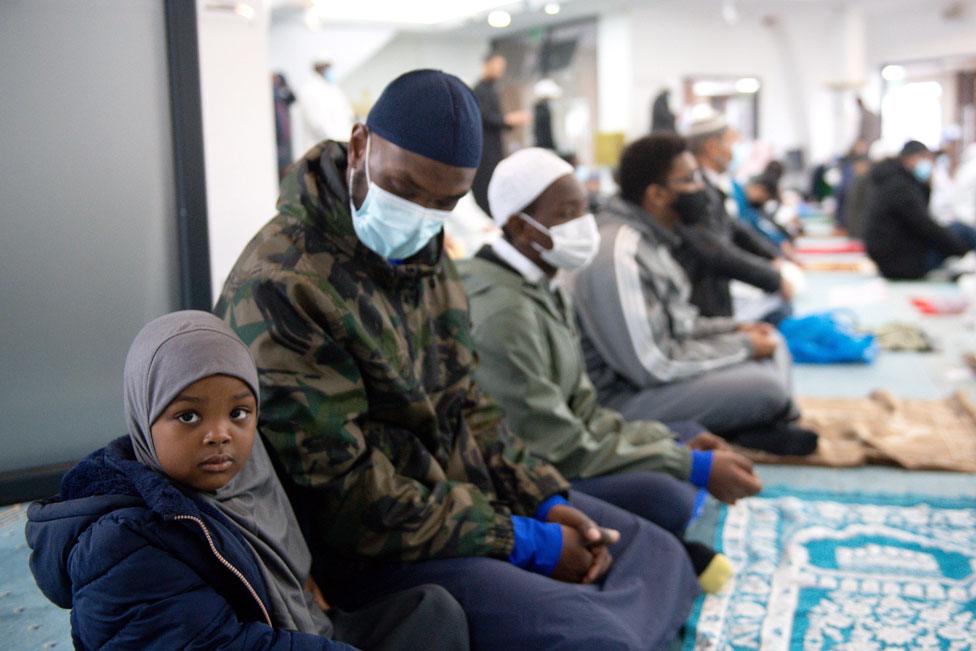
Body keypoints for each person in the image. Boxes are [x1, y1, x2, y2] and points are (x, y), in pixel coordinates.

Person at [215, 69, 700, 649]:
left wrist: (540, 496)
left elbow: (470, 407)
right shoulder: (283, 285)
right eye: (406, 189)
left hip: (457, 508)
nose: (420, 213)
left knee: (657, 551)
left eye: (443, 202)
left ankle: (594, 611)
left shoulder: (424, 254)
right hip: (374, 551)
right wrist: (519, 541)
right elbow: (346, 501)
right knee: (595, 633)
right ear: (361, 145)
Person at [25, 311, 469, 650]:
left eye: (239, 412)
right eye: (188, 415)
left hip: (300, 625)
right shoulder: (123, 543)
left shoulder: (249, 470)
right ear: (144, 418)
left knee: (432, 611)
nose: (219, 433)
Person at [459, 147, 761, 556]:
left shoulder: (542, 284)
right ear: (520, 226)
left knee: (684, 435)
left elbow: (585, 411)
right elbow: (557, 446)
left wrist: (669, 445)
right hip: (528, 475)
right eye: (566, 214)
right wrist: (686, 464)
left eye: (584, 210)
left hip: (564, 445)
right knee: (667, 495)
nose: (583, 226)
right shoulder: (503, 312)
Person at [568, 133, 818, 456]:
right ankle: (758, 420)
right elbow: (651, 365)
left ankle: (756, 424)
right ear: (656, 195)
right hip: (621, 399)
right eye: (687, 180)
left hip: (654, 376)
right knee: (765, 386)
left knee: (772, 341)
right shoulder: (620, 251)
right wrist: (742, 347)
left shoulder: (653, 239)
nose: (699, 189)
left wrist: (735, 331)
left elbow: (681, 324)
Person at [676, 114, 793, 320]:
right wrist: (773, 279)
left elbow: (734, 228)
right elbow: (715, 250)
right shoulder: (694, 190)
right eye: (731, 144)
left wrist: (772, 255)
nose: (735, 152)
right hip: (704, 303)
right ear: (712, 147)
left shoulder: (711, 184)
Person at [864, 140, 976, 279]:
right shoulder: (900, 187)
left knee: (955, 231)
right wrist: (961, 249)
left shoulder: (895, 181)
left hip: (895, 258)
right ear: (911, 158)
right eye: (925, 158)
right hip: (902, 263)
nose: (930, 163)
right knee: (961, 231)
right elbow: (925, 225)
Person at [471, 53, 530, 213]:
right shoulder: (479, 90)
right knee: (486, 187)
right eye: (497, 65)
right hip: (485, 153)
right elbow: (484, 117)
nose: (500, 70)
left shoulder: (492, 90)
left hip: (494, 149)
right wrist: (507, 120)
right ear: (487, 64)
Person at [296, 59, 355, 157]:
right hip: (322, 148)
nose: (329, 70)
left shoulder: (334, 89)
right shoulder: (309, 90)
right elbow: (317, 123)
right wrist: (336, 143)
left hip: (342, 145)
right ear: (318, 68)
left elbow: (347, 114)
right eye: (326, 66)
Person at [273, 72, 297, 179]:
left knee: (288, 168)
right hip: (278, 142)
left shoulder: (282, 95)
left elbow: (293, 98)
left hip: (286, 141)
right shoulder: (272, 96)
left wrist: (284, 84)